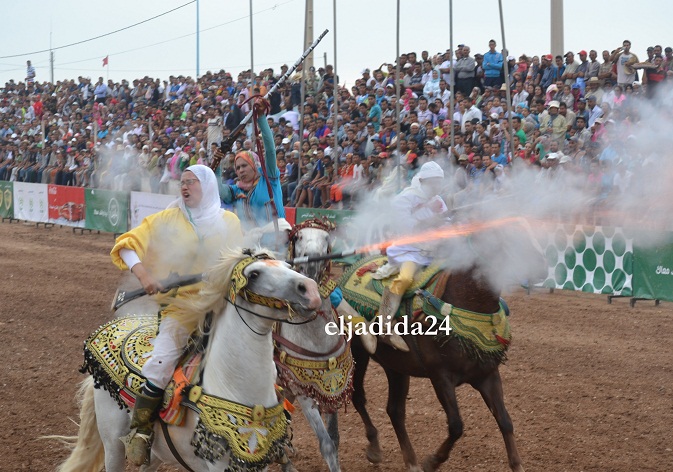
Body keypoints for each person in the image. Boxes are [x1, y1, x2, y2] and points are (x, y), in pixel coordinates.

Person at [110, 164, 243, 466]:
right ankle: (141, 430)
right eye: (182, 182)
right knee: (160, 363)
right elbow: (129, 245)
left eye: (192, 182)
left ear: (207, 186)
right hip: (182, 308)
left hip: (222, 305)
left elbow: (239, 259)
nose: (185, 187)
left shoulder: (229, 221)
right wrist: (144, 276)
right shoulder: (169, 218)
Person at [376, 161, 448, 351]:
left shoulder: (438, 200)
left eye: (439, 183)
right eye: (433, 182)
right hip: (409, 249)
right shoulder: (405, 198)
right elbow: (404, 227)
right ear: (422, 181)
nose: (437, 187)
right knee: (405, 278)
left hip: (434, 249)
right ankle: (383, 321)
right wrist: (430, 221)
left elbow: (446, 223)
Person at [216, 99, 291, 249]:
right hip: (249, 246)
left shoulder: (268, 178)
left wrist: (262, 118)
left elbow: (270, 150)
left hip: (277, 244)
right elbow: (219, 188)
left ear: (254, 165)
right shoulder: (236, 190)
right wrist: (217, 164)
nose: (241, 170)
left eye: (244, 166)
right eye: (237, 168)